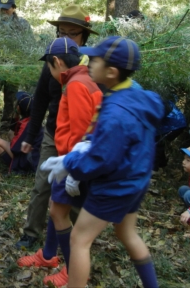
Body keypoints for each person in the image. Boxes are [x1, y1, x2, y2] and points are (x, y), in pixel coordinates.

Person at [43, 36, 164, 288]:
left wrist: (72, 164)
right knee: (126, 232)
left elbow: (102, 158)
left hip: (116, 185)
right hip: (137, 179)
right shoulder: (135, 94)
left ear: (111, 71)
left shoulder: (116, 111)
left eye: (95, 59)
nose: (89, 62)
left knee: (80, 239)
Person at [17, 37, 102, 287]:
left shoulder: (75, 85)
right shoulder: (84, 79)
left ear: (56, 62)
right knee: (57, 208)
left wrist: (73, 169)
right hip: (68, 158)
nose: (49, 72)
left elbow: (80, 133)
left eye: (49, 67)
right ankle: (48, 255)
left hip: (71, 161)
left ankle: (71, 268)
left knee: (59, 210)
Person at [0, 0, 32, 135]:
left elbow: (29, 45)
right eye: (1, 9)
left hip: (14, 68)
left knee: (11, 99)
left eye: (7, 9)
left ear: (13, 8)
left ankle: (6, 127)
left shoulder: (22, 24)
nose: (4, 12)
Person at [0, 91, 42, 174]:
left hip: (28, 162)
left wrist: (0, 141)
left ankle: (17, 168)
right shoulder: (30, 120)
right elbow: (11, 135)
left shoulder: (26, 125)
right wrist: (15, 117)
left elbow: (14, 148)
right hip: (29, 157)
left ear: (19, 108)